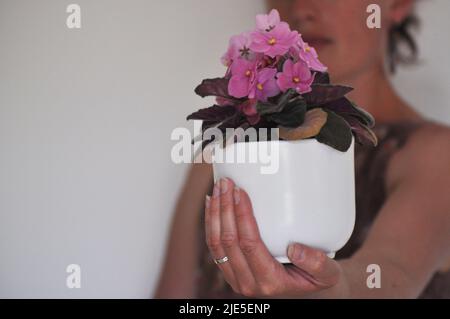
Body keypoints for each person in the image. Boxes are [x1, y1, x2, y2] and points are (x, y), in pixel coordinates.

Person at [155, 0, 450, 298]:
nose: (301, 9)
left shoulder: (436, 156)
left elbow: (392, 271)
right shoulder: (220, 155)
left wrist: (331, 288)